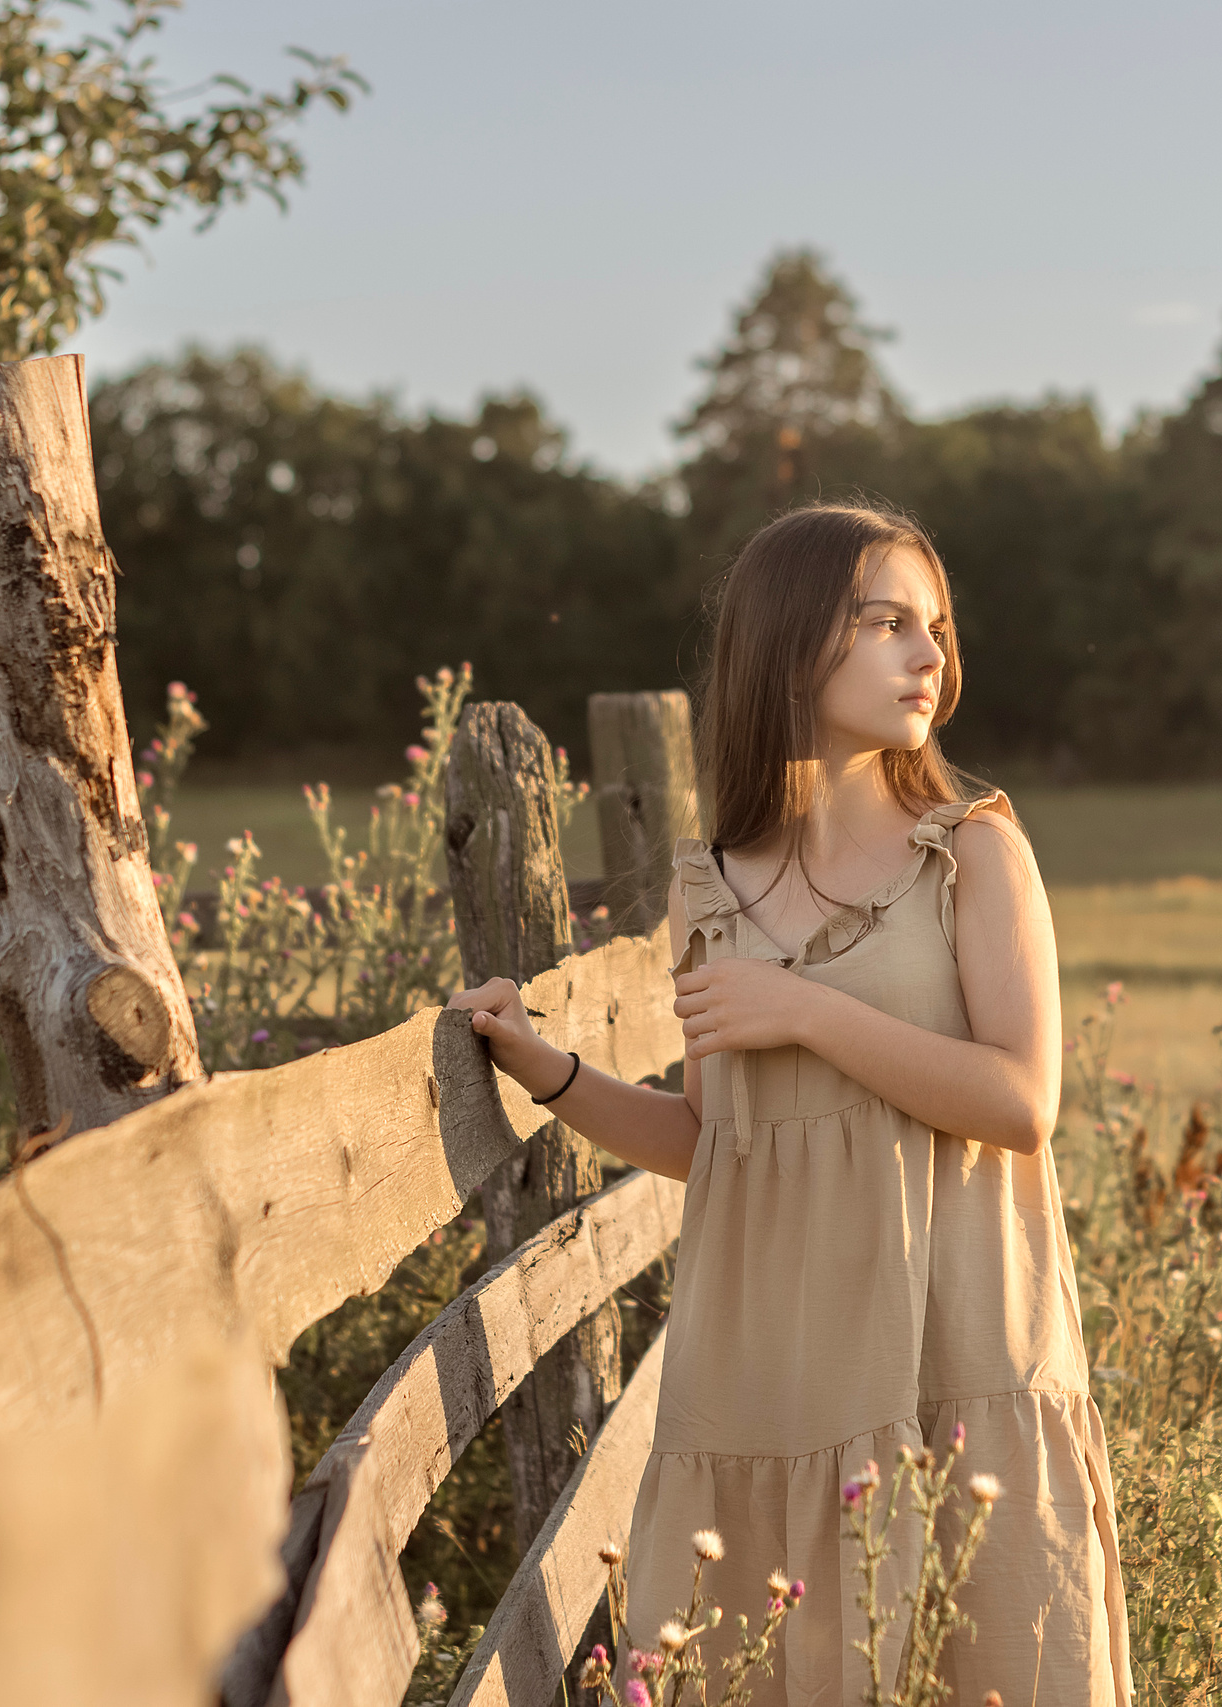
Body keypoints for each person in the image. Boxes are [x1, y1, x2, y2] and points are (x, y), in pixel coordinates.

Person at [447, 501, 1131, 1706]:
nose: (928, 655)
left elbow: (1022, 1101)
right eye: (885, 623)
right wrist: (544, 1067)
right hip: (775, 1369)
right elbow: (714, 1140)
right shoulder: (711, 888)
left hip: (956, 1337)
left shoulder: (973, 853)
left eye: (935, 627)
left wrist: (807, 1011)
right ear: (788, 641)